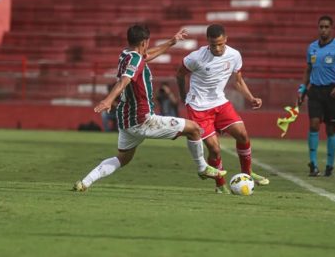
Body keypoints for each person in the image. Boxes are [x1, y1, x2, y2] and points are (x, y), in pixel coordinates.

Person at [73, 24, 227, 192]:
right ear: (145, 42)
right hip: (143, 120)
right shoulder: (136, 59)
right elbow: (124, 80)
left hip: (126, 121)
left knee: (123, 159)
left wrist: (171, 42)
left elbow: (146, 56)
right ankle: (202, 167)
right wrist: (108, 100)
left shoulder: (127, 55)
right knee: (194, 129)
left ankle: (85, 182)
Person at [176, 24, 269, 194]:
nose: (217, 48)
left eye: (220, 44)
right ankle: (220, 185)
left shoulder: (234, 55)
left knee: (242, 134)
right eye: (213, 45)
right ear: (208, 42)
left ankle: (247, 173)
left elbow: (238, 81)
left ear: (226, 39)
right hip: (199, 107)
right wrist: (184, 97)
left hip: (220, 103)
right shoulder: (196, 57)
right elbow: (180, 74)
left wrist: (251, 98)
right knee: (214, 148)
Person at [297, 15, 335, 177]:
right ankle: (313, 164)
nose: (323, 30)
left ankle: (330, 164)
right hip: (315, 91)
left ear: (331, 28)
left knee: (331, 129)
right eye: (321, 27)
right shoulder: (312, 48)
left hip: (332, 92)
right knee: (314, 124)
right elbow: (308, 70)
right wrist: (302, 90)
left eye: (326, 27)